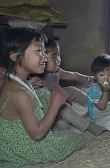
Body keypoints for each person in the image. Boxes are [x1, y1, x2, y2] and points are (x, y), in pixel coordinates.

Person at [0, 28, 86, 168]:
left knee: (43, 94)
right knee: (76, 138)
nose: (45, 57)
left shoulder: (11, 79)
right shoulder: (20, 94)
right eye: (39, 51)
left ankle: (59, 122)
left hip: (12, 137)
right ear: (15, 56)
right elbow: (37, 134)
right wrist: (55, 105)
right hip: (26, 145)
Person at [42, 37, 106, 135]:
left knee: (71, 90)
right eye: (54, 57)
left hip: (60, 98)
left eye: (59, 56)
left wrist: (89, 78)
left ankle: (94, 106)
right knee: (64, 108)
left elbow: (73, 75)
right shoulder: (38, 76)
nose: (58, 60)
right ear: (42, 58)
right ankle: (88, 125)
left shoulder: (57, 71)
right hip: (51, 108)